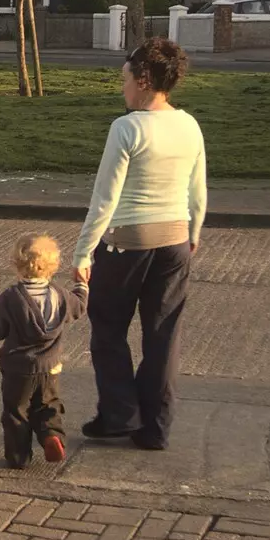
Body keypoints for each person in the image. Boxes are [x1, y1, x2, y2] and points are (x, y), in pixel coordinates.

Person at [72, 37, 207, 451]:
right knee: (162, 335)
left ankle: (119, 415)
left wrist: (81, 254)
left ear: (144, 79)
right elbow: (197, 190)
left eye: (125, 77)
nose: (122, 86)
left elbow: (105, 199)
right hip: (175, 242)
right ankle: (155, 427)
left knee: (108, 330)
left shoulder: (127, 128)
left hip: (125, 244)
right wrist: (194, 233)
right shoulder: (188, 125)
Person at [0, 233, 89, 468]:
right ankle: (52, 435)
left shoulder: (9, 299)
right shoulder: (61, 295)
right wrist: (82, 284)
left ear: (16, 264)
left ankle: (19, 456)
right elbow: (79, 307)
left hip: (18, 369)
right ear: (54, 266)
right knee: (48, 404)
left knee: (16, 411)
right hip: (50, 367)